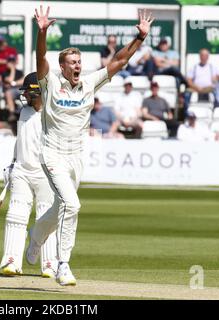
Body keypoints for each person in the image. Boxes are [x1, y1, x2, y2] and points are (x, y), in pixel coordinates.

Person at [26, 5, 154, 286]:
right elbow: (40, 57)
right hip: (53, 152)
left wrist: (140, 39)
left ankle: (35, 236)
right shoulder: (50, 83)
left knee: (62, 204)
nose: (77, 66)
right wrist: (42, 32)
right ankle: (63, 264)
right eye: (72, 63)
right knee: (72, 205)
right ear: (62, 66)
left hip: (77, 156)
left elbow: (120, 61)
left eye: (79, 62)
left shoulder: (88, 83)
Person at [0, 72, 58, 278]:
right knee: (15, 214)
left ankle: (50, 263)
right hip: (22, 171)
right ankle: (11, 260)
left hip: (46, 173)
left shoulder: (53, 114)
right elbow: (21, 141)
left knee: (47, 216)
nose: (24, 96)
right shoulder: (24, 113)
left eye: (28, 92)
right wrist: (12, 163)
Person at [184, 48, 219, 114]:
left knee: (217, 93)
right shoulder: (194, 67)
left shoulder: (212, 67)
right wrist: (196, 87)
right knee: (186, 94)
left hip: (209, 88)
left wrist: (216, 79)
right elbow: (188, 80)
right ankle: (187, 114)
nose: (204, 57)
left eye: (205, 55)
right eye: (202, 55)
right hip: (195, 88)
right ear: (199, 56)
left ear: (208, 57)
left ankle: (215, 112)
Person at [1, 55, 25, 132]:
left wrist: (14, 83)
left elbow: (23, 81)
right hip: (10, 91)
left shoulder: (20, 72)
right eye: (10, 62)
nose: (12, 64)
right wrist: (12, 70)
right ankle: (12, 113)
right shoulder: (4, 73)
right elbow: (9, 79)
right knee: (8, 93)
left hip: (19, 90)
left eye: (13, 62)